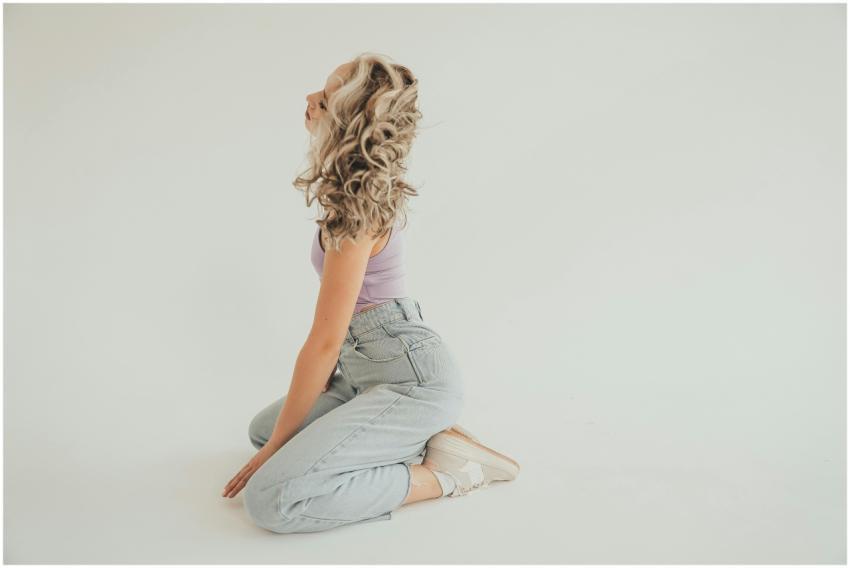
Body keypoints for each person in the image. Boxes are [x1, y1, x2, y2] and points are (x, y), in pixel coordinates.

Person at [221, 53, 519, 534]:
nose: (309, 99)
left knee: (272, 498)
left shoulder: (357, 214)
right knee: (264, 430)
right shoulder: (351, 197)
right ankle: (425, 437)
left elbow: (323, 342)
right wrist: (276, 441)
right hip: (365, 370)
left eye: (327, 93)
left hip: (410, 377)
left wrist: (279, 452)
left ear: (350, 117)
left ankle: (446, 473)